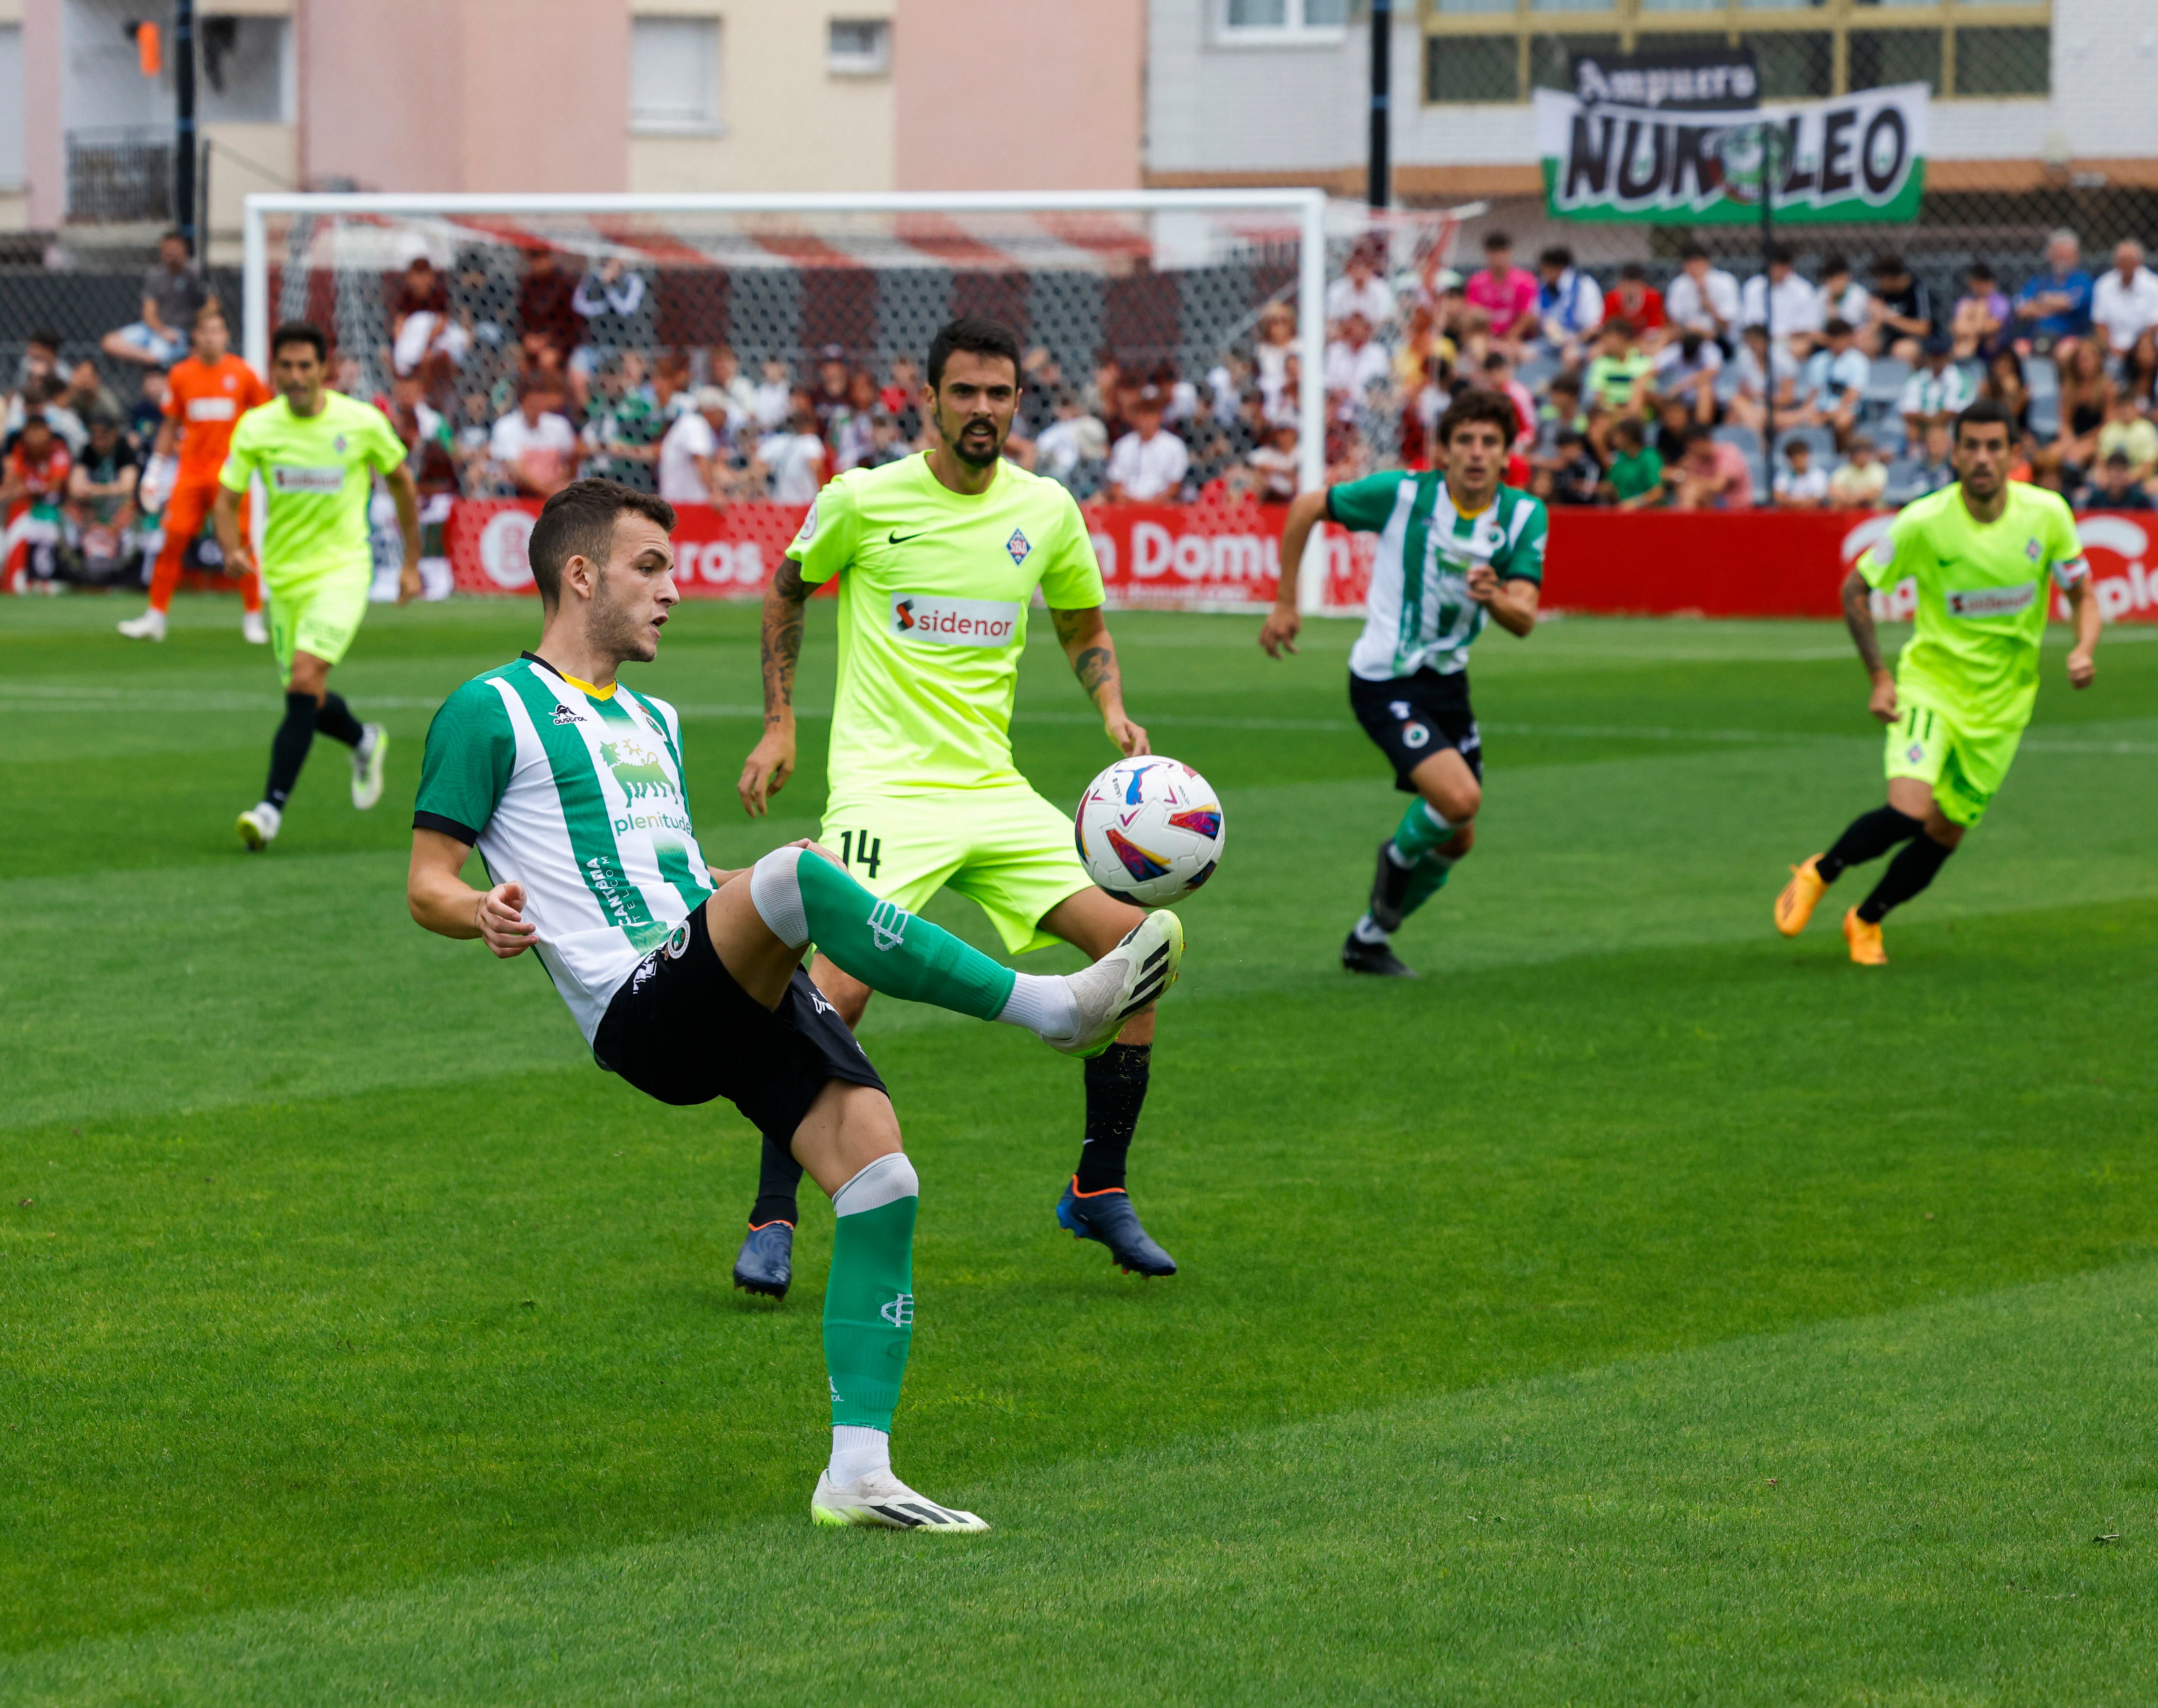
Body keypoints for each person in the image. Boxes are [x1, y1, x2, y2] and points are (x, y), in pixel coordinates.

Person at [408, 478, 1182, 1531]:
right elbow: (428, 880)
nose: (672, 591)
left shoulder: (654, 717)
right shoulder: (488, 708)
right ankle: (1050, 1008)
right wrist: (479, 912)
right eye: (650, 569)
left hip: (709, 977)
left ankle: (858, 1473)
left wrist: (731, 893)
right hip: (641, 1010)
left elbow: (671, 866)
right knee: (799, 870)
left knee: (880, 1170)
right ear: (578, 575)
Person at [733, 316, 1184, 1292]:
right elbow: (784, 592)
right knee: (834, 990)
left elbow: (1079, 615)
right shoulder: (863, 500)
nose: (983, 410)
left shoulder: (1047, 509)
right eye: (965, 392)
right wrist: (780, 723)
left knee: (1146, 948)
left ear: (1020, 402)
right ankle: (774, 1210)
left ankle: (1098, 1186)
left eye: (1000, 394)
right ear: (928, 397)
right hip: (883, 792)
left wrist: (1110, 704)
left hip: (995, 793)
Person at [1774, 400, 2098, 964]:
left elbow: (2081, 595)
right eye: (1969, 446)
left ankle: (1865, 920)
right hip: (1930, 687)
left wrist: (2083, 646)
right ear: (1951, 453)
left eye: (1993, 446)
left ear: (2012, 455)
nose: (1980, 458)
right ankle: (1819, 872)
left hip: (2002, 706)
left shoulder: (2047, 515)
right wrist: (1878, 675)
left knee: (1945, 833)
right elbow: (1855, 589)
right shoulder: (1922, 522)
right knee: (1906, 810)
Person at [1261, 391, 1540, 976]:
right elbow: (1307, 506)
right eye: (1463, 440)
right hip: (1383, 680)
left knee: (1456, 838)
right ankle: (1395, 856)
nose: (1474, 453)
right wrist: (1286, 601)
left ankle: (1367, 939)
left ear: (1505, 455)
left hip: (1447, 685)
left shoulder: (1521, 516)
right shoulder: (1404, 495)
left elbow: (1524, 618)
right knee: (1459, 800)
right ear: (1442, 451)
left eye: (1488, 442)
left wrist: (1494, 597)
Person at [212, 322, 420, 852]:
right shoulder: (257, 427)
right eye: (287, 366)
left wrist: (411, 563)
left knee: (304, 680)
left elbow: (402, 485)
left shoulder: (362, 423)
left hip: (343, 573)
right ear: (275, 369)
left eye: (307, 366)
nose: (297, 376)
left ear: (325, 369)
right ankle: (363, 739)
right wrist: (229, 546)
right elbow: (226, 499)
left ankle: (269, 809)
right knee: (307, 693)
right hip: (281, 580)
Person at [117, 308, 273, 644]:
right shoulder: (181, 375)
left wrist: (264, 465)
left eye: (218, 331)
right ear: (196, 338)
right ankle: (155, 617)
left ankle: (253, 617)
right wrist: (155, 469)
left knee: (243, 541)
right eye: (206, 332)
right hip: (190, 474)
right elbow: (170, 425)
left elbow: (264, 421)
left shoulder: (243, 374)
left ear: (227, 336)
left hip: (231, 476)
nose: (212, 338)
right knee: (172, 540)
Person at [102, 231, 215, 369]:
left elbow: (212, 305)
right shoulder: (156, 274)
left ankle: (157, 361)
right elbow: (149, 311)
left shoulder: (195, 273)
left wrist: (198, 332)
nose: (171, 254)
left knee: (157, 352)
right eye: (167, 250)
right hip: (155, 330)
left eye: (174, 249)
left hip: (181, 333)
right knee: (110, 342)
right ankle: (148, 360)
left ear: (184, 250)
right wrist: (162, 331)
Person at [1, 410, 71, 591]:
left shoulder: (58, 451)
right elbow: (12, 486)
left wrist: (27, 490)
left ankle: (47, 577)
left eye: (39, 431)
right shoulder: (19, 451)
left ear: (48, 432)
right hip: (27, 509)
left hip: (57, 510)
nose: (35, 437)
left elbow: (55, 487)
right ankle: (17, 577)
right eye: (31, 431)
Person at [488, 380, 579, 500]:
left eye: (540, 402)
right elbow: (517, 472)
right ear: (522, 403)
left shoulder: (559, 425)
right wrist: (549, 492)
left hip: (557, 489)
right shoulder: (506, 427)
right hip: (520, 493)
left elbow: (573, 458)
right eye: (532, 403)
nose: (537, 407)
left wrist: (562, 483)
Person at [2013, 230, 2094, 357]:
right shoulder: (2039, 281)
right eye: (2058, 253)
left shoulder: (2083, 280)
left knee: (2066, 352)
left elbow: (2068, 304)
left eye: (2066, 254)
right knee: (2018, 351)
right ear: (2050, 255)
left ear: (2076, 256)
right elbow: (2021, 309)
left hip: (2068, 338)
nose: (2061, 258)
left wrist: (2041, 301)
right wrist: (2055, 306)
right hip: (2035, 336)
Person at [1105, 386, 1190, 502]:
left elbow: (1175, 486)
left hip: (1162, 507)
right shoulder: (1123, 445)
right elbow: (1116, 485)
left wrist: (1151, 503)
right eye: (1142, 413)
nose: (1146, 419)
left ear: (1159, 415)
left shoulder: (1174, 446)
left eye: (1151, 412)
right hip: (1128, 506)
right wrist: (1134, 503)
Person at [1796, 318, 1869, 447]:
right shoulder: (1818, 361)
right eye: (1834, 338)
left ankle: (1842, 456)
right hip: (1820, 409)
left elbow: (1852, 397)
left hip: (1846, 410)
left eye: (1842, 338)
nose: (1838, 342)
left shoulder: (1858, 361)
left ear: (1849, 338)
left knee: (1843, 421)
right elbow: (1814, 393)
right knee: (1788, 421)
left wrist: (1828, 416)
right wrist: (1807, 412)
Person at [657, 385, 734, 505]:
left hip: (684, 503)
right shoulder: (695, 424)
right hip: (683, 505)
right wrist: (714, 493)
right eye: (722, 413)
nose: (725, 418)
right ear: (710, 411)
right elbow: (700, 459)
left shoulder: (692, 423)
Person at [1741, 245, 1823, 358]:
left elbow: (1809, 328)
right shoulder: (1754, 287)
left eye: (1782, 267)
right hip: (1762, 341)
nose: (1778, 271)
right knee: (1745, 351)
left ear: (1789, 267)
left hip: (1791, 342)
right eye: (1775, 266)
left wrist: (1782, 339)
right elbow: (1751, 324)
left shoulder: (1804, 289)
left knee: (1801, 347)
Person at [1461, 232, 1540, 349]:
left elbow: (1527, 315)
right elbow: (1473, 313)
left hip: (1516, 338)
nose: (1498, 257)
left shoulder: (1525, 281)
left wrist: (1509, 337)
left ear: (1509, 253)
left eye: (1502, 252)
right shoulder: (1476, 281)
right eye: (1494, 252)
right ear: (1487, 254)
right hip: (1485, 337)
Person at [2090, 240, 2158, 368]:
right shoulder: (2103, 284)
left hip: (2144, 346)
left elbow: (2154, 325)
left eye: (2130, 260)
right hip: (2112, 347)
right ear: (2116, 262)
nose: (2126, 264)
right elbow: (2100, 324)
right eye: (2122, 260)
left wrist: (2134, 349)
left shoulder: (2154, 285)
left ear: (2139, 262)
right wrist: (2112, 348)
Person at [1534, 245, 1604, 363]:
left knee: (1571, 356)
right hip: (1552, 343)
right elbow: (1539, 317)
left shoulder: (1585, 287)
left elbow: (1594, 327)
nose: (1543, 274)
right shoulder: (1543, 288)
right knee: (1526, 353)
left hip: (1581, 342)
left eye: (1545, 270)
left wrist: (1574, 342)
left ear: (1558, 269)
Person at [1900, 336, 1976, 444]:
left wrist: (1927, 420)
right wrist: (1933, 422)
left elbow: (1952, 414)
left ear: (1948, 356)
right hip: (1922, 433)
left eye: (1940, 356)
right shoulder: (1916, 379)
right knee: (1912, 430)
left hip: (1950, 433)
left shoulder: (1963, 380)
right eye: (1933, 356)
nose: (1937, 360)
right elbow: (1909, 413)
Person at [756, 394, 828, 505]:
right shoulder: (811, 442)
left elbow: (758, 466)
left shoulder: (777, 442)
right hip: (805, 507)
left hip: (781, 508)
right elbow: (816, 468)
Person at [1666, 241, 1741, 348]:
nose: (1693, 267)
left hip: (1720, 340)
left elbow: (1727, 324)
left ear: (1707, 262)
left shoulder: (1725, 282)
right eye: (1688, 263)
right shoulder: (1679, 285)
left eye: (1697, 262)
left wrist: (1705, 297)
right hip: (1688, 339)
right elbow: (1675, 321)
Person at [1869, 254, 1936, 365]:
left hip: (1915, 341)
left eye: (1881, 279)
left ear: (1891, 278)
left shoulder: (1918, 290)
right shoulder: (1880, 294)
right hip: (1887, 338)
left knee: (1903, 350)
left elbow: (1924, 329)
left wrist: (1889, 317)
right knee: (1864, 344)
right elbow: (1875, 324)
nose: (1878, 283)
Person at [1670, 425, 1755, 510]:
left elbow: (1718, 486)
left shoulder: (1729, 453)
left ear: (1706, 440)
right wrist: (1680, 476)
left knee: (1690, 492)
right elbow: (1670, 472)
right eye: (1689, 448)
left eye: (1694, 446)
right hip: (1712, 505)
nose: (1692, 451)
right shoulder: (1694, 458)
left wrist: (1687, 478)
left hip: (1736, 509)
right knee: (1686, 491)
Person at [1582, 319, 1652, 417]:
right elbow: (1597, 398)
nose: (1605, 342)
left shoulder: (1644, 363)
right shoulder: (1600, 364)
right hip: (1609, 416)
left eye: (1609, 338)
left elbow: (1646, 396)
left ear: (1623, 338)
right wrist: (1617, 412)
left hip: (1635, 419)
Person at [1949, 264, 2010, 364]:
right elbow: (1956, 328)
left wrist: (1977, 319)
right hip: (1969, 342)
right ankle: (1963, 357)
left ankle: (1964, 356)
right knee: (1969, 308)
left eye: (1981, 282)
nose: (1978, 287)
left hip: (1994, 347)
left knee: (1981, 309)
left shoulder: (2000, 301)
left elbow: (1994, 326)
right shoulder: (1966, 301)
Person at [1601, 416, 1664, 509]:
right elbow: (1610, 486)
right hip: (1624, 513)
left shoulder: (1650, 456)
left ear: (1629, 436)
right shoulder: (1621, 457)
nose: (1614, 438)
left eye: (1618, 434)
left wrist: (1635, 503)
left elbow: (1658, 492)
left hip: (1650, 513)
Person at [2076, 448, 2152, 511]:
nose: (2117, 476)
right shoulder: (2096, 500)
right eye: (2114, 470)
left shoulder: (2139, 500)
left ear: (2128, 473)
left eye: (2121, 471)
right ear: (2107, 472)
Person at [1828, 436, 1888, 509]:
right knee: (1836, 505)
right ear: (1852, 456)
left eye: (1866, 453)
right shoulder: (1845, 470)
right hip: (1849, 509)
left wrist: (1858, 497)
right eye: (1860, 454)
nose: (1863, 457)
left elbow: (1876, 491)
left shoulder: (1878, 469)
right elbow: (1833, 489)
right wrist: (1849, 499)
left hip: (1873, 512)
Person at [1773, 438, 1828, 510]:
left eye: (1802, 458)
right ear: (1790, 460)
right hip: (1790, 515)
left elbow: (1818, 500)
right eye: (1796, 460)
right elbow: (1778, 498)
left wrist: (1792, 502)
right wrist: (1802, 503)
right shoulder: (1783, 475)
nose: (1799, 463)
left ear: (1807, 456)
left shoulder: (1819, 475)